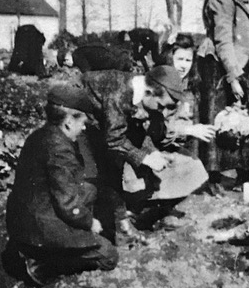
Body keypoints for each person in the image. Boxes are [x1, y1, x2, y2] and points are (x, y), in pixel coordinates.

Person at [3, 84, 118, 286]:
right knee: (108, 256)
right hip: (39, 227)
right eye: (82, 122)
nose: (84, 128)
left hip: (23, 218)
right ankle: (41, 265)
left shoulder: (41, 135)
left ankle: (37, 249)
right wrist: (90, 223)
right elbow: (67, 204)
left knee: (90, 189)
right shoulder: (59, 149)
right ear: (67, 122)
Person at [78, 65, 187, 238]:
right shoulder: (120, 93)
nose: (161, 112)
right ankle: (80, 234)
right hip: (78, 115)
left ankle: (120, 224)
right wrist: (144, 158)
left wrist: (151, 151)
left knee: (114, 168)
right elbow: (114, 140)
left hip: (100, 118)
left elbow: (135, 134)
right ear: (150, 92)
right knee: (91, 176)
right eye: (160, 106)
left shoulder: (142, 90)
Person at [198, 0, 249, 189]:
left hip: (237, 64)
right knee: (220, 120)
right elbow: (223, 41)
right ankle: (212, 177)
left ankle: (243, 173)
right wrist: (234, 77)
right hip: (223, 67)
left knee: (242, 118)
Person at [156, 33, 216, 154]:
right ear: (169, 58)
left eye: (188, 60)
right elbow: (157, 131)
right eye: (179, 59)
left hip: (185, 150)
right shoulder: (158, 87)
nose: (183, 66)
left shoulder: (191, 88)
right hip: (160, 153)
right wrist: (188, 130)